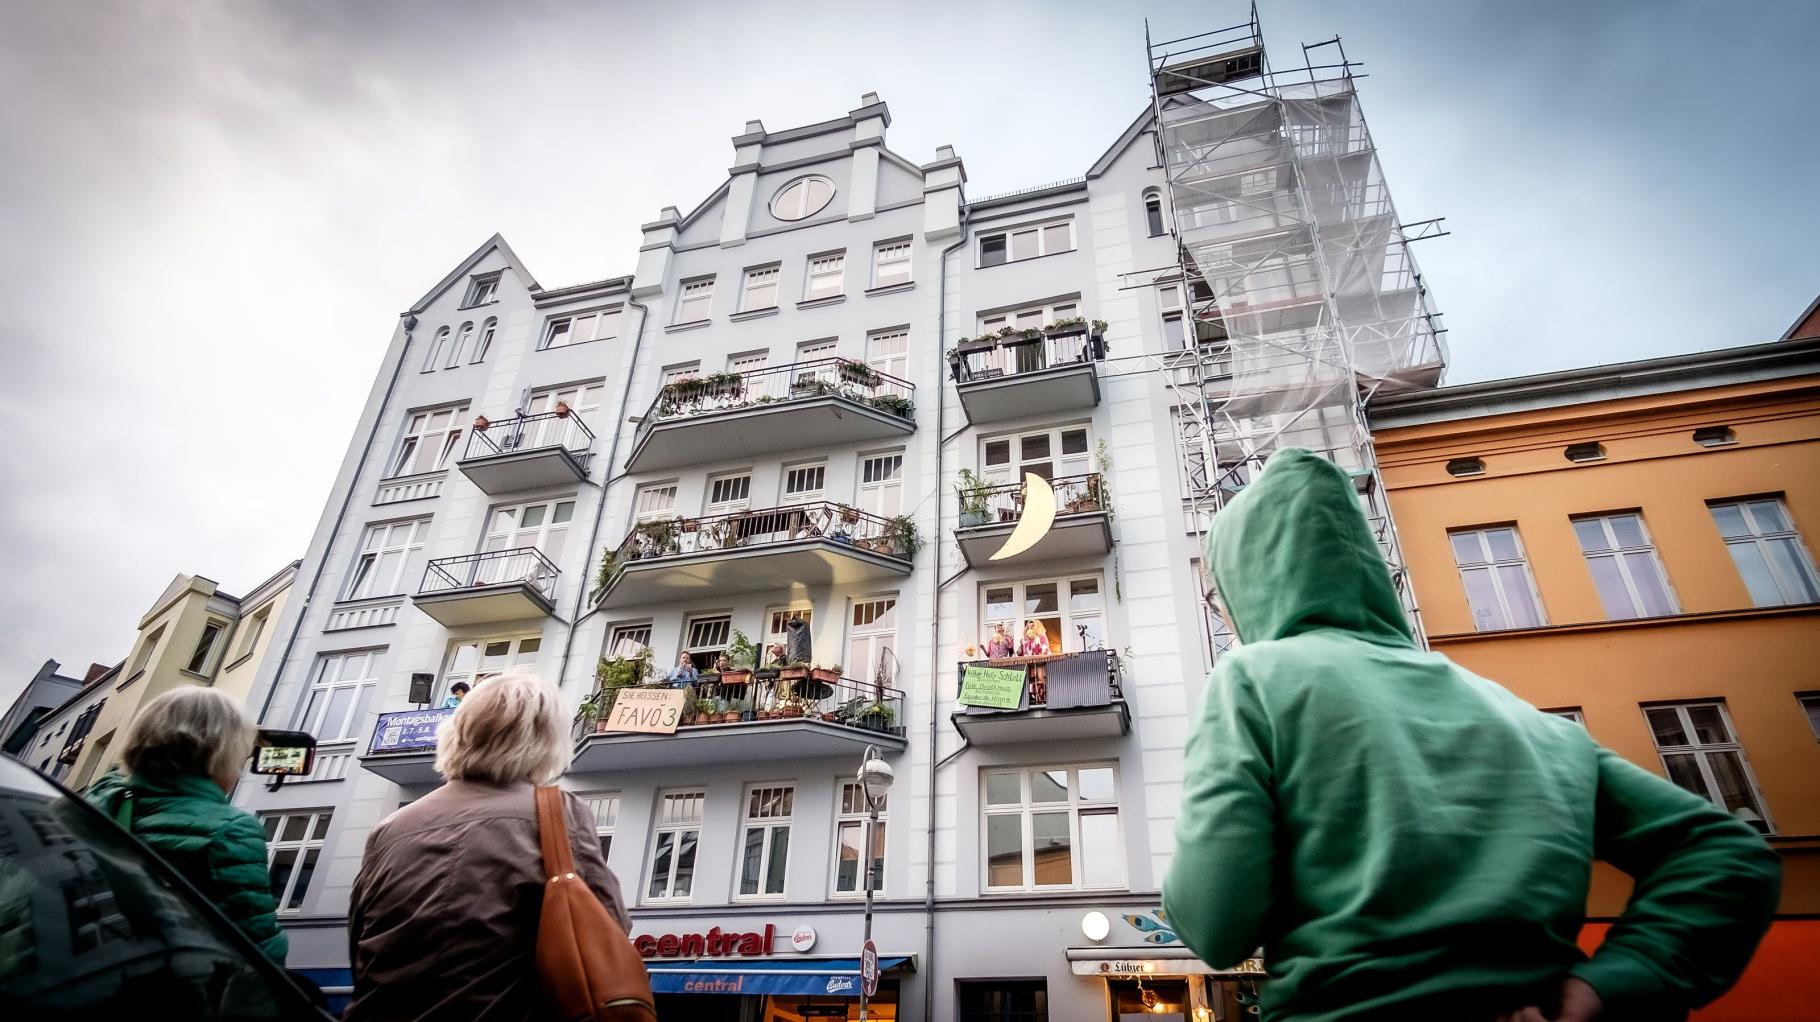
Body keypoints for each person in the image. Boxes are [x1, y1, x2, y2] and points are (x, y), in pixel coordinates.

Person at [1164, 448, 1781, 1021]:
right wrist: (1614, 980)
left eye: (1220, 595)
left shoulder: (1255, 679)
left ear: (1251, 582)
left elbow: (1215, 925)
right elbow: (1730, 854)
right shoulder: (1533, 722)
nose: (1225, 615)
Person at [348, 673, 630, 1021]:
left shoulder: (391, 828)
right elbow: (608, 930)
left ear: (457, 733)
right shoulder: (558, 814)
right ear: (547, 740)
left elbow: (359, 943)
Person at [85, 686, 288, 963]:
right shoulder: (231, 831)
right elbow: (257, 950)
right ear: (221, 755)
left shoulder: (95, 803)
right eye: (242, 755)